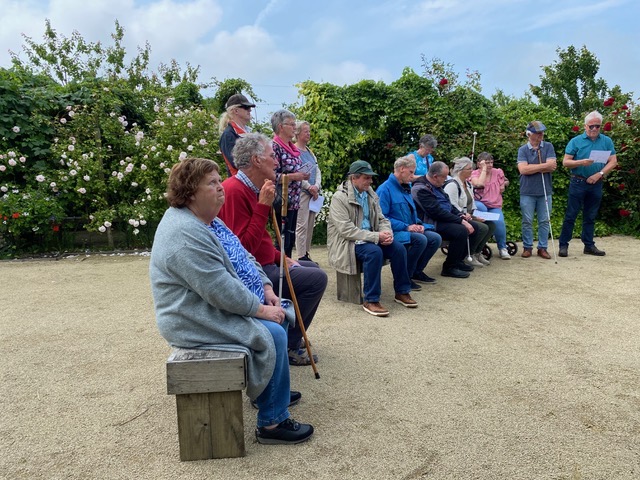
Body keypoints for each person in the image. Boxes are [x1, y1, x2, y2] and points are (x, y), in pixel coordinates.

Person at [149, 157, 313, 445]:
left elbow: (244, 256)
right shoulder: (184, 234)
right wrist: (261, 310)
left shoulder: (208, 221)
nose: (220, 188)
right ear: (190, 192)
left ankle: (269, 395)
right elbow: (219, 289)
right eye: (211, 184)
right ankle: (272, 423)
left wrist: (265, 286)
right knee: (273, 329)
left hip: (212, 308)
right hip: (191, 318)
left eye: (218, 181)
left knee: (280, 311)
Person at [218, 132, 327, 366]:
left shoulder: (253, 188)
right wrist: (262, 208)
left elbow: (263, 243)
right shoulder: (235, 191)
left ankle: (290, 336)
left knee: (309, 266)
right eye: (271, 156)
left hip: (267, 263)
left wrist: (282, 257)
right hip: (252, 273)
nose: (276, 161)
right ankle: (288, 344)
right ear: (257, 160)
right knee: (316, 278)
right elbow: (242, 249)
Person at [327, 160, 418, 317]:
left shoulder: (370, 194)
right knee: (374, 252)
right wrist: (376, 236)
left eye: (370, 178)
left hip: (370, 237)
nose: (370, 181)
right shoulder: (338, 198)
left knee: (398, 249)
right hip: (348, 242)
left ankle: (402, 291)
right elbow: (346, 230)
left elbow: (383, 219)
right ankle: (371, 300)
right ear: (353, 178)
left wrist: (386, 233)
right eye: (366, 178)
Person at [558, 111, 618, 257]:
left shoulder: (606, 141)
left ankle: (589, 245)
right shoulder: (576, 141)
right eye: (591, 126)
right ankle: (563, 245)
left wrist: (600, 174)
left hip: (596, 183)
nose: (594, 129)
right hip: (578, 181)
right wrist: (581, 162)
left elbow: (613, 161)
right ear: (585, 126)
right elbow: (565, 162)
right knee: (571, 215)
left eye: (597, 126)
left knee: (590, 216)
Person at [376, 155, 442, 285]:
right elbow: (382, 219)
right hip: (392, 232)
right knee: (420, 239)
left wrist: (418, 224)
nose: (413, 176)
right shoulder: (384, 190)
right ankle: (406, 277)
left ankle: (416, 272)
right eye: (411, 172)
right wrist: (407, 227)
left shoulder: (406, 187)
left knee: (435, 238)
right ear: (402, 169)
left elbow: (410, 214)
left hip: (408, 229)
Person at [411, 161, 479, 279]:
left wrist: (460, 215)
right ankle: (449, 267)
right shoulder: (421, 188)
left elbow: (449, 205)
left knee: (475, 227)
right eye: (444, 176)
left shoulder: (437, 185)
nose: (447, 179)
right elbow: (436, 212)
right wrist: (460, 221)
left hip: (442, 218)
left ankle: (458, 261)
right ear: (435, 176)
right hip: (430, 222)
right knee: (460, 230)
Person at [443, 157, 495, 267]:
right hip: (458, 217)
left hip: (469, 215)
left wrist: (477, 215)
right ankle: (468, 254)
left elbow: (472, 204)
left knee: (491, 225)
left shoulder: (469, 184)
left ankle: (476, 253)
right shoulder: (452, 185)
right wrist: (472, 218)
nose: (472, 170)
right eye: (469, 169)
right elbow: (452, 206)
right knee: (482, 227)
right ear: (461, 170)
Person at [271, 110, 310, 258]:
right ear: (281, 127)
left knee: (290, 240)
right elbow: (271, 176)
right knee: (282, 240)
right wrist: (294, 176)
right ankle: (281, 272)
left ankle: (289, 270)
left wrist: (302, 175)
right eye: (292, 124)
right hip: (281, 201)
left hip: (293, 201)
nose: (295, 128)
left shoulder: (292, 148)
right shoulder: (274, 147)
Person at [517, 121, 557, 259]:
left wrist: (532, 167)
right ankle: (527, 247)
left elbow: (552, 167)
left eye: (542, 132)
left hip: (545, 190)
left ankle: (542, 248)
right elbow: (523, 170)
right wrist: (543, 166)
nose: (541, 134)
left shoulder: (549, 146)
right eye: (538, 132)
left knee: (545, 221)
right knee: (527, 220)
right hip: (527, 191)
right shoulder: (522, 150)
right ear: (529, 134)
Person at [470, 152, 511, 259]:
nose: (490, 165)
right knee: (482, 208)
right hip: (480, 203)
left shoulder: (497, 172)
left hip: (494, 204)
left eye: (491, 162)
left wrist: (503, 184)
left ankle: (502, 248)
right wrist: (483, 169)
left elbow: (506, 180)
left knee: (499, 222)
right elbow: (478, 184)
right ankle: (479, 245)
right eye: (487, 163)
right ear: (479, 164)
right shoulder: (474, 173)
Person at [294, 121, 322, 262]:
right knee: (302, 224)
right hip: (302, 193)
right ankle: (301, 256)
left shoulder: (310, 151)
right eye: (306, 131)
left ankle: (307, 253)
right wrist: (308, 187)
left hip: (313, 193)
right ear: (298, 133)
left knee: (310, 225)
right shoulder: (294, 151)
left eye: (309, 131)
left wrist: (316, 185)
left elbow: (317, 170)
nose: (309, 134)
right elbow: (295, 172)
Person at [218, 93, 255, 176]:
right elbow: (236, 163)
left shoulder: (247, 132)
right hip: (239, 181)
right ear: (235, 111)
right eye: (246, 107)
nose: (250, 110)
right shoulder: (228, 135)